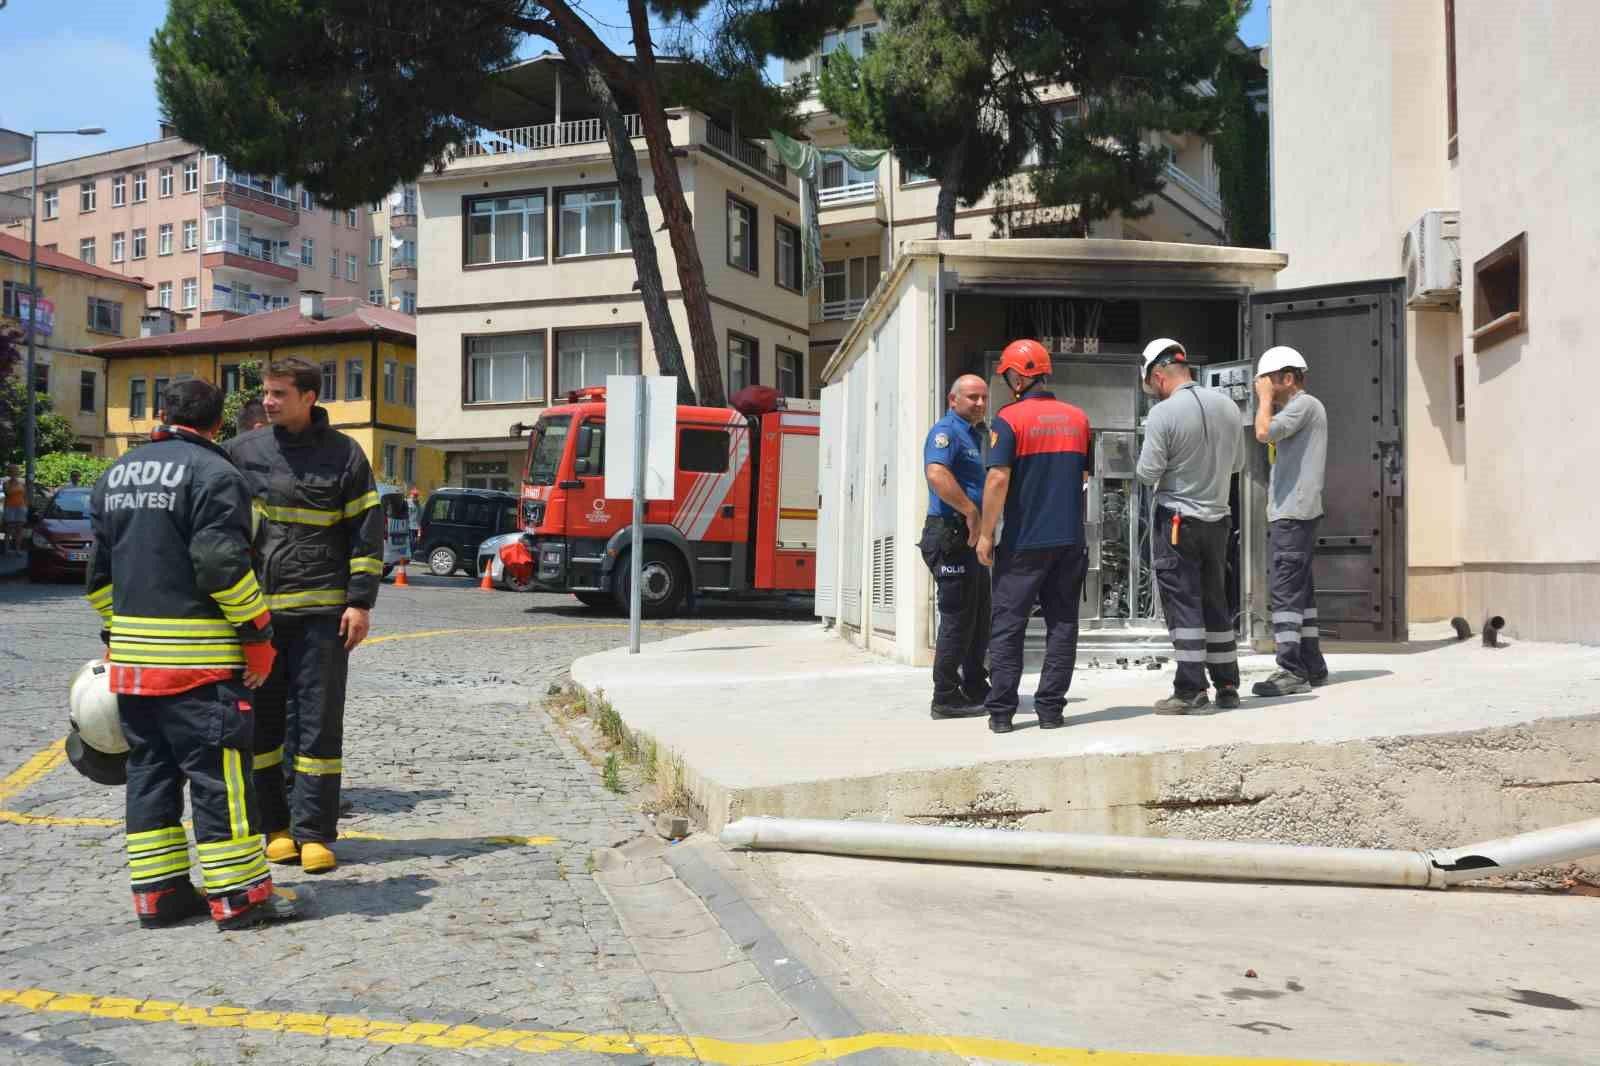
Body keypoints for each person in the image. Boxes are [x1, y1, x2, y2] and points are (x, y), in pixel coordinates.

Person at [83, 379, 296, 930]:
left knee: (149, 776)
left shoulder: (114, 475)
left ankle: (160, 897)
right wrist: (257, 634)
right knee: (220, 779)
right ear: (217, 423)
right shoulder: (215, 475)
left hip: (133, 669)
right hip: (200, 668)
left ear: (159, 414)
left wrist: (122, 636)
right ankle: (239, 899)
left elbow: (99, 580)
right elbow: (222, 565)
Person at [227, 358, 383, 875]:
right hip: (260, 617)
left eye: (278, 393)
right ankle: (274, 827)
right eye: (266, 393)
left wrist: (360, 602)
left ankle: (314, 831)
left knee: (317, 726)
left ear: (308, 397)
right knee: (265, 727)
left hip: (322, 615)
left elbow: (365, 533)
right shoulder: (242, 453)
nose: (268, 401)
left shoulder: (345, 455)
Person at [976, 339, 1094, 734]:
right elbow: (1082, 478)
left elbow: (997, 479)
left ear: (1017, 376)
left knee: (1009, 625)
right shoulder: (1079, 419)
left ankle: (1002, 714)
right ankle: (1050, 711)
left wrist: (986, 534)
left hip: (1024, 542)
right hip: (1068, 541)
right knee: (1062, 626)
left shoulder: (1009, 420)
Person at [1135, 338, 1246, 714]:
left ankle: (1190, 690)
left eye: (1152, 384)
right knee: (1216, 601)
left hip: (1179, 522)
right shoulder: (1229, 406)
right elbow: (1237, 464)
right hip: (1218, 521)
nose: (1154, 391)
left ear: (1160, 374)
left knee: (1184, 606)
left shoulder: (1164, 415)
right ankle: (1228, 684)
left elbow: (1146, 472)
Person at [1251, 346, 1329, 697]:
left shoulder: (1303, 405)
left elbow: (1263, 432)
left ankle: (1290, 670)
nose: (1262, 387)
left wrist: (1264, 399)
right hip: (1295, 512)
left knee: (1285, 592)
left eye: (1267, 382)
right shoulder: (1302, 409)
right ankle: (1312, 664)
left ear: (1286, 378)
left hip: (1293, 513)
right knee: (1301, 594)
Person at [920, 374, 992, 719]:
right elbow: (936, 474)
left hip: (970, 539)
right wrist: (970, 510)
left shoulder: (977, 433)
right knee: (958, 618)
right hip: (949, 535)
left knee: (979, 616)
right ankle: (945, 696)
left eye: (983, 397)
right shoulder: (946, 432)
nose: (979, 403)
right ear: (953, 400)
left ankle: (976, 684)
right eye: (972, 398)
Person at [3, 464, 25, 554]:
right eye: (13, 470)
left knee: (19, 530)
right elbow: (8, 493)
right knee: (8, 529)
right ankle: (6, 550)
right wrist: (13, 482)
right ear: (9, 472)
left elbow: (24, 494)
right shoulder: (6, 483)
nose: (16, 472)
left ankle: (18, 549)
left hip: (20, 507)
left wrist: (25, 505)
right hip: (9, 507)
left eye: (16, 470)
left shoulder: (22, 482)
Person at [407, 487, 422, 555]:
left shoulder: (418, 504)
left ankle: (413, 554)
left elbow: (419, 516)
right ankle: (411, 554)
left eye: (416, 495)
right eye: (414, 495)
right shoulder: (407, 502)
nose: (415, 496)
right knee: (411, 541)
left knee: (416, 541)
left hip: (417, 526)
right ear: (411, 495)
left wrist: (420, 527)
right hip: (409, 526)